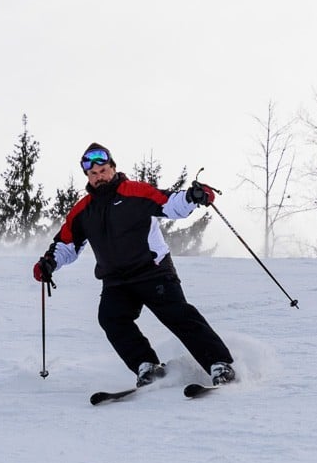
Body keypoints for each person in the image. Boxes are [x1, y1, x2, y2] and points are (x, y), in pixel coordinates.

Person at [33, 142, 236, 388]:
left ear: (113, 168)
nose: (99, 177)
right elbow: (66, 244)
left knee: (178, 315)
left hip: (153, 270)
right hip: (117, 280)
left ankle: (219, 364)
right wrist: (49, 263)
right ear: (87, 176)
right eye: (93, 174)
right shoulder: (83, 211)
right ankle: (147, 365)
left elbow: (170, 204)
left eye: (103, 170)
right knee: (110, 318)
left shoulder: (135, 192)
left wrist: (193, 197)